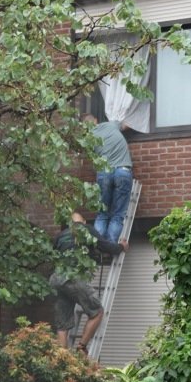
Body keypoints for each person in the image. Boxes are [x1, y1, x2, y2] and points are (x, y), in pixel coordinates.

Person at [50, 211, 128, 354]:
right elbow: (106, 246)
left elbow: (54, 256)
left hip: (57, 279)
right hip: (73, 278)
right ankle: (81, 348)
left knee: (62, 324)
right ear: (84, 222)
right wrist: (121, 247)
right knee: (97, 312)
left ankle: (61, 360)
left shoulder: (60, 236)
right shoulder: (87, 230)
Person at [83, 114, 133, 244]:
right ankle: (111, 247)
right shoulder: (110, 125)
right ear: (96, 120)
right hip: (123, 170)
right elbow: (127, 124)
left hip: (104, 173)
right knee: (117, 215)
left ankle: (99, 247)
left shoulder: (88, 139)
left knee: (102, 214)